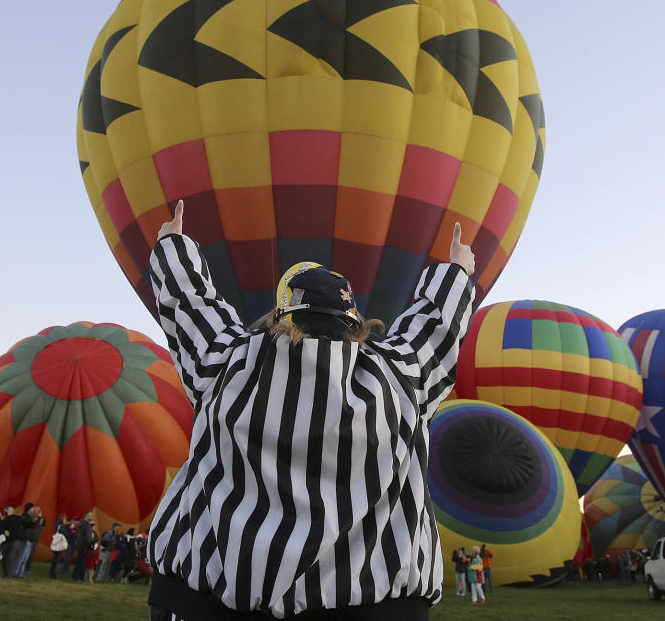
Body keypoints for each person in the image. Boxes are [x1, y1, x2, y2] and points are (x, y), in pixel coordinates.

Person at [146, 200, 477, 620]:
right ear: (354, 322)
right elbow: (436, 324)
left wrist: (173, 243)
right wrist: (457, 269)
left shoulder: (227, 362)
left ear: (280, 316)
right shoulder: (401, 376)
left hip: (212, 599)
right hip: (372, 604)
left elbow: (189, 303)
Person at [0, 504, 25, 578]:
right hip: (8, 541)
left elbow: (27, 523)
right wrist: (4, 531)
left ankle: (8, 575)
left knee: (11, 557)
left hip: (15, 540)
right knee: (5, 558)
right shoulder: (5, 520)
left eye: (8, 510)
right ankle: (6, 574)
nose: (6, 511)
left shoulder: (18, 518)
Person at [72, 511, 94, 582]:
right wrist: (90, 546)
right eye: (90, 515)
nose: (91, 517)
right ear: (87, 516)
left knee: (79, 561)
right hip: (84, 546)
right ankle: (80, 577)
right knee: (82, 562)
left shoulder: (80, 523)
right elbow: (88, 537)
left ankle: (75, 576)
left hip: (79, 544)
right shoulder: (87, 525)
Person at [49, 513, 70, 579]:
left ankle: (52, 574)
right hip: (59, 545)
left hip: (57, 544)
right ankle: (53, 575)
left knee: (55, 560)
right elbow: (66, 534)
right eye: (65, 519)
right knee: (56, 561)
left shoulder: (57, 525)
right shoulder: (61, 526)